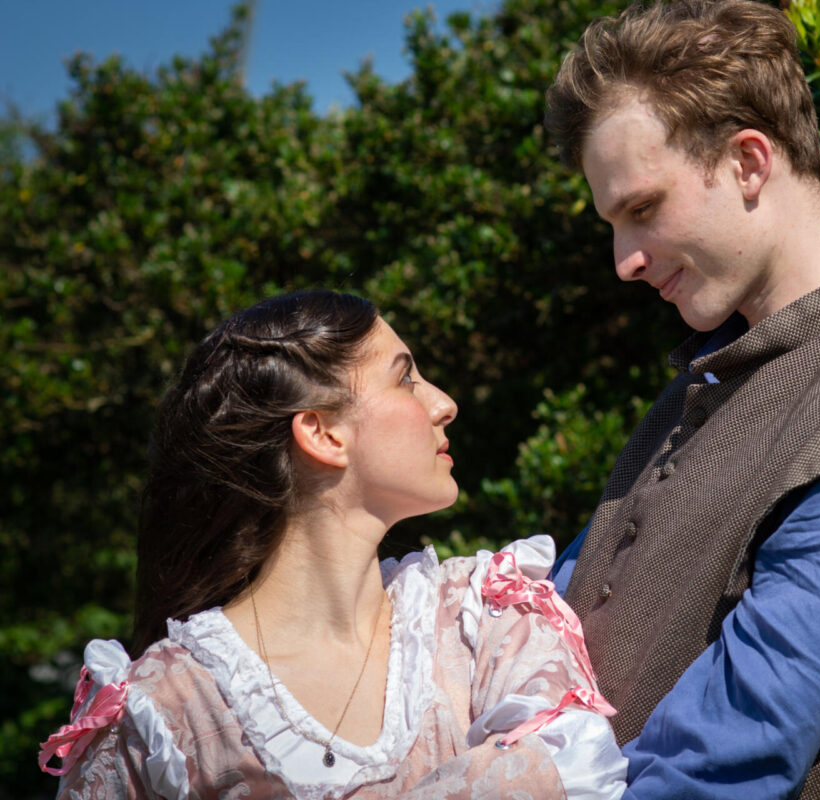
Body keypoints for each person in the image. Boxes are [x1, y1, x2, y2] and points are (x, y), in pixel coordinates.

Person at [543, 2, 820, 798]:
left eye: (642, 209)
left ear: (747, 162)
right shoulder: (718, 370)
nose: (624, 261)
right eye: (612, 223)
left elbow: (723, 766)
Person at [38, 290, 627, 799]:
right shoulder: (164, 709)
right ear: (322, 433)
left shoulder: (482, 619)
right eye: (405, 377)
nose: (444, 403)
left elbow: (577, 768)